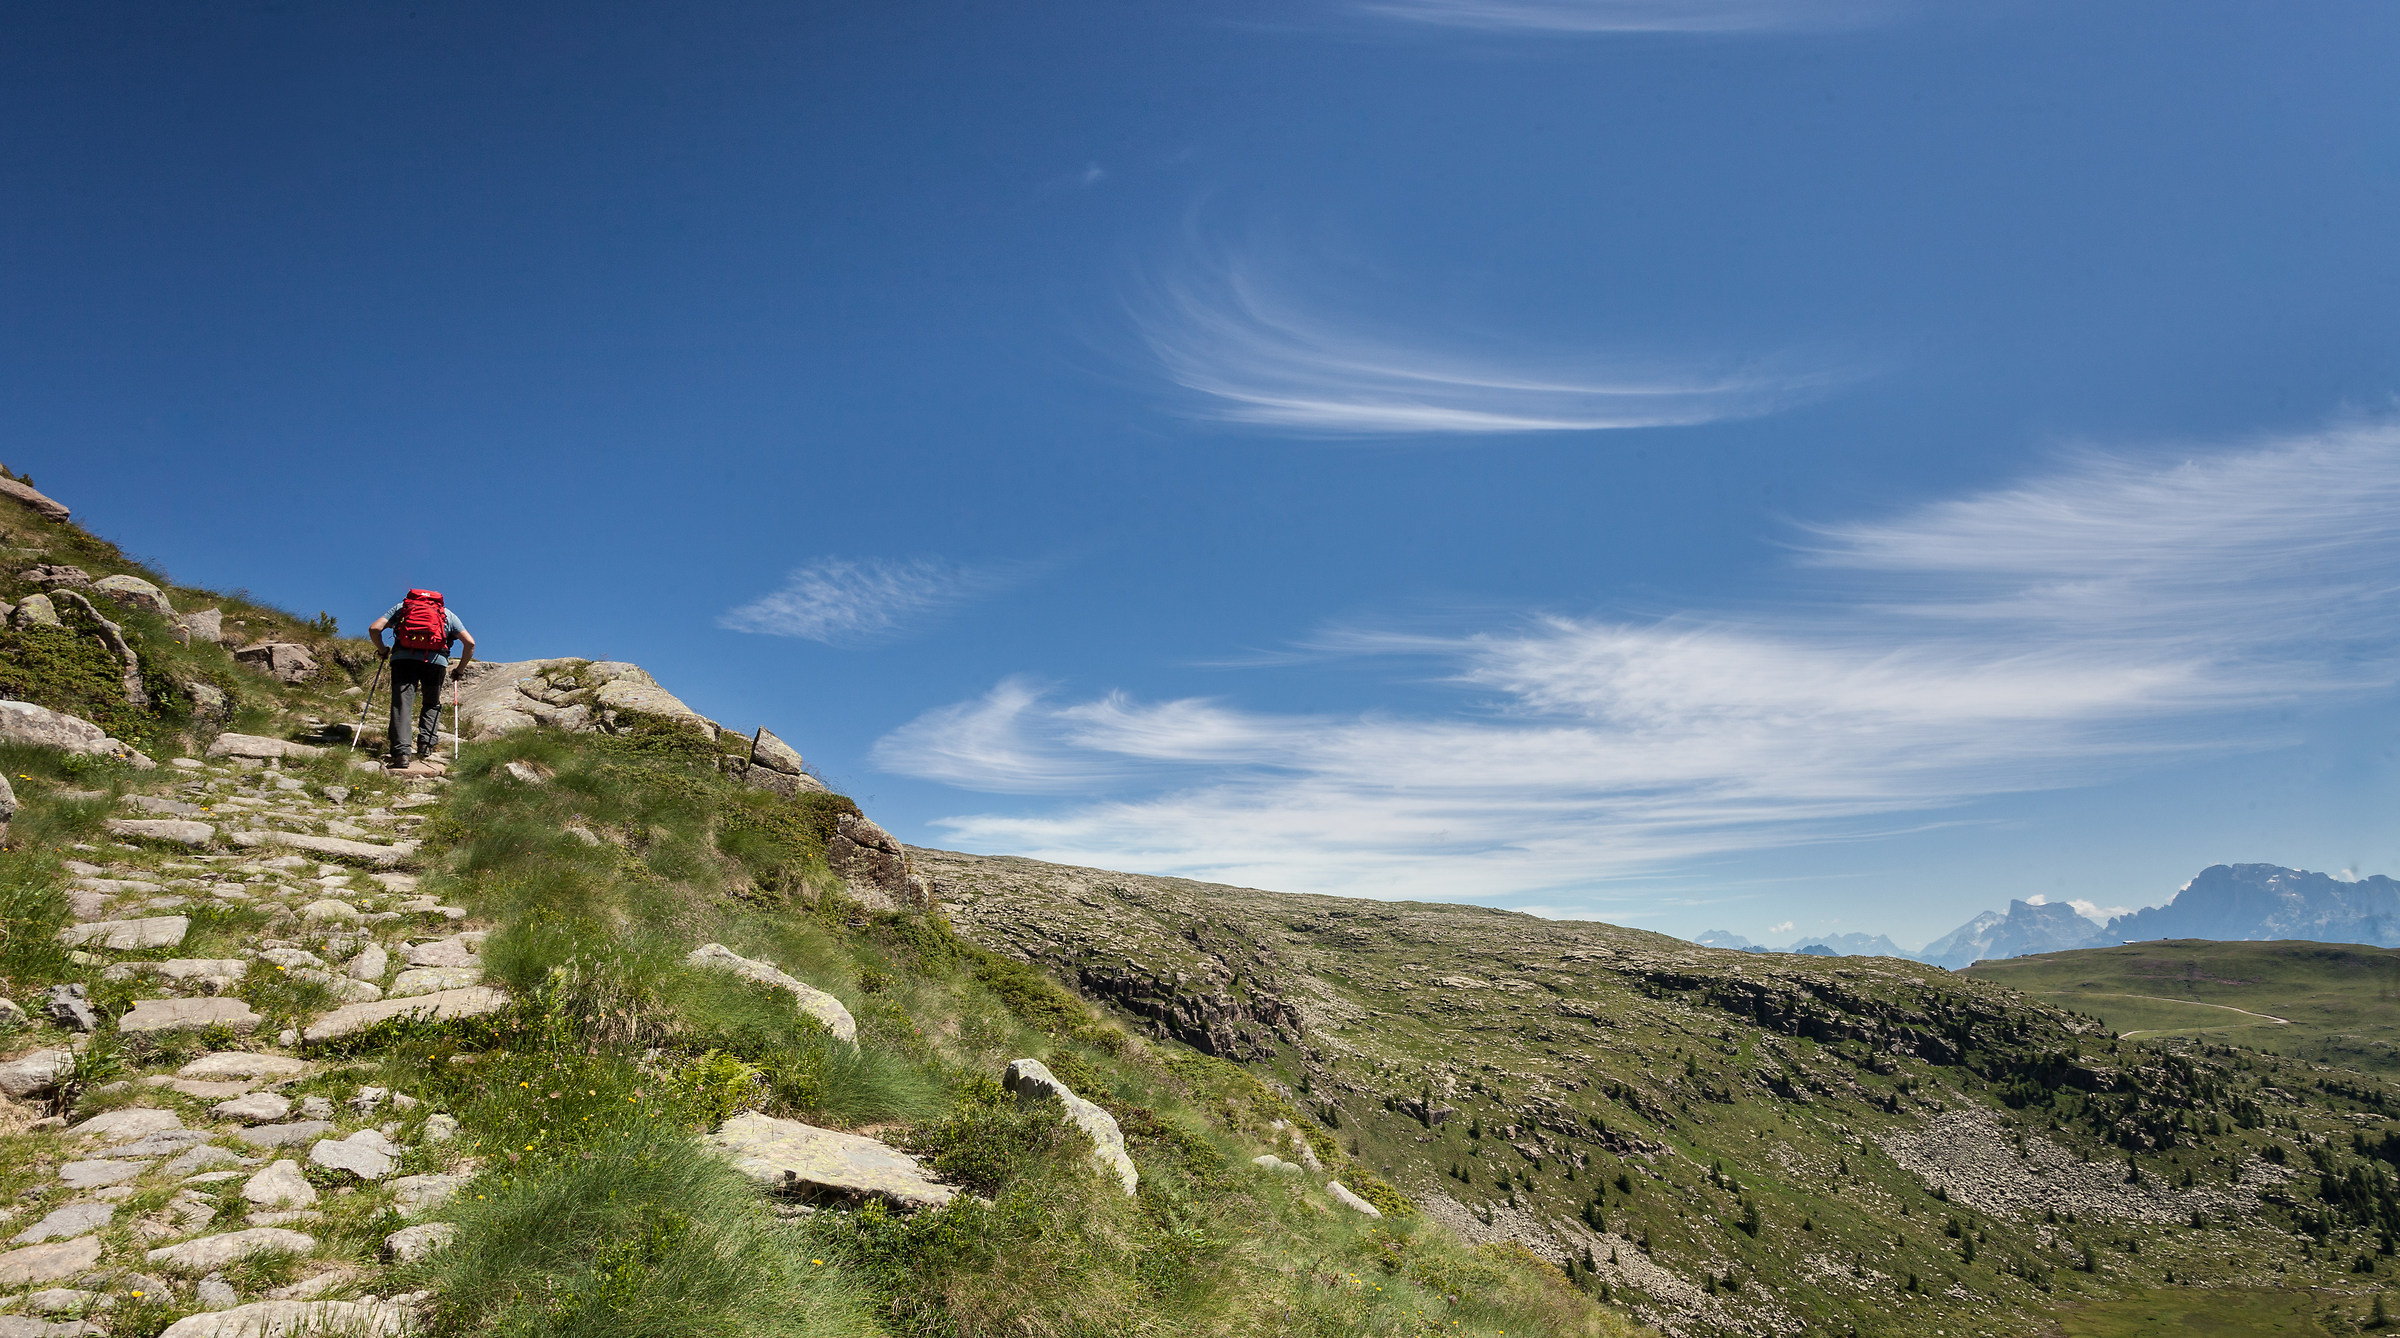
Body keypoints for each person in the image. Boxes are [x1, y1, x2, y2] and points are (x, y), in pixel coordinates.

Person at [367, 589, 475, 775]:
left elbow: (375, 628)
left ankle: (401, 753)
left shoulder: (402, 608)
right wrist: (459, 670)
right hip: (436, 663)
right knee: (432, 703)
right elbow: (470, 643)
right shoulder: (446, 614)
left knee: (402, 705)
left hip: (403, 660)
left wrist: (383, 649)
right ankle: (426, 745)